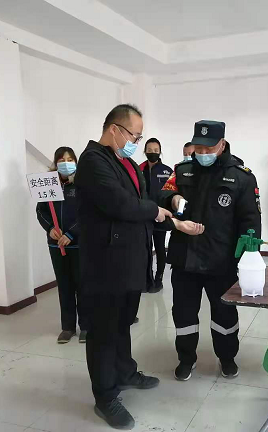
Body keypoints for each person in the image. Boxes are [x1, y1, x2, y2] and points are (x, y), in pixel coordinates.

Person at [75, 104, 205, 430]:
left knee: (122, 324)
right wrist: (156, 212)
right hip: (105, 265)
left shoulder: (127, 163)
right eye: (134, 135)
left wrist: (170, 202)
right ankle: (105, 396)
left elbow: (146, 198)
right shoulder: (93, 161)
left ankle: (125, 372)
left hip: (130, 261)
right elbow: (121, 205)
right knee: (104, 331)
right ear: (114, 129)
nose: (137, 142)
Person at [159, 120, 262, 382]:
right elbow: (159, 197)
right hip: (185, 257)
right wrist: (172, 198)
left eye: (208, 148)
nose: (202, 153)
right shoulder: (181, 171)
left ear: (222, 144)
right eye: (198, 148)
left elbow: (250, 222)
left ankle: (227, 357)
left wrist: (246, 260)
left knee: (224, 315)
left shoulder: (241, 177)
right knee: (183, 314)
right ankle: (186, 358)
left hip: (222, 261)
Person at [36, 147, 89, 344]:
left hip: (78, 243)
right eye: (61, 160)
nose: (66, 163)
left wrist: (71, 233)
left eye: (69, 159)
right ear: (55, 163)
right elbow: (41, 211)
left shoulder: (83, 183)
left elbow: (88, 213)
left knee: (82, 285)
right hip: (56, 245)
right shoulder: (48, 184)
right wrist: (50, 228)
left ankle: (86, 326)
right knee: (64, 285)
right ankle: (67, 327)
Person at [139, 138, 173, 293]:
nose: (152, 153)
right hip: (143, 216)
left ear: (160, 152)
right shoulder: (139, 169)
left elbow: (171, 193)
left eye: (155, 150)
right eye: (149, 150)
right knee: (145, 249)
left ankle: (158, 279)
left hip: (160, 216)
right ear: (145, 151)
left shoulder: (167, 171)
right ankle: (148, 278)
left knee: (159, 248)